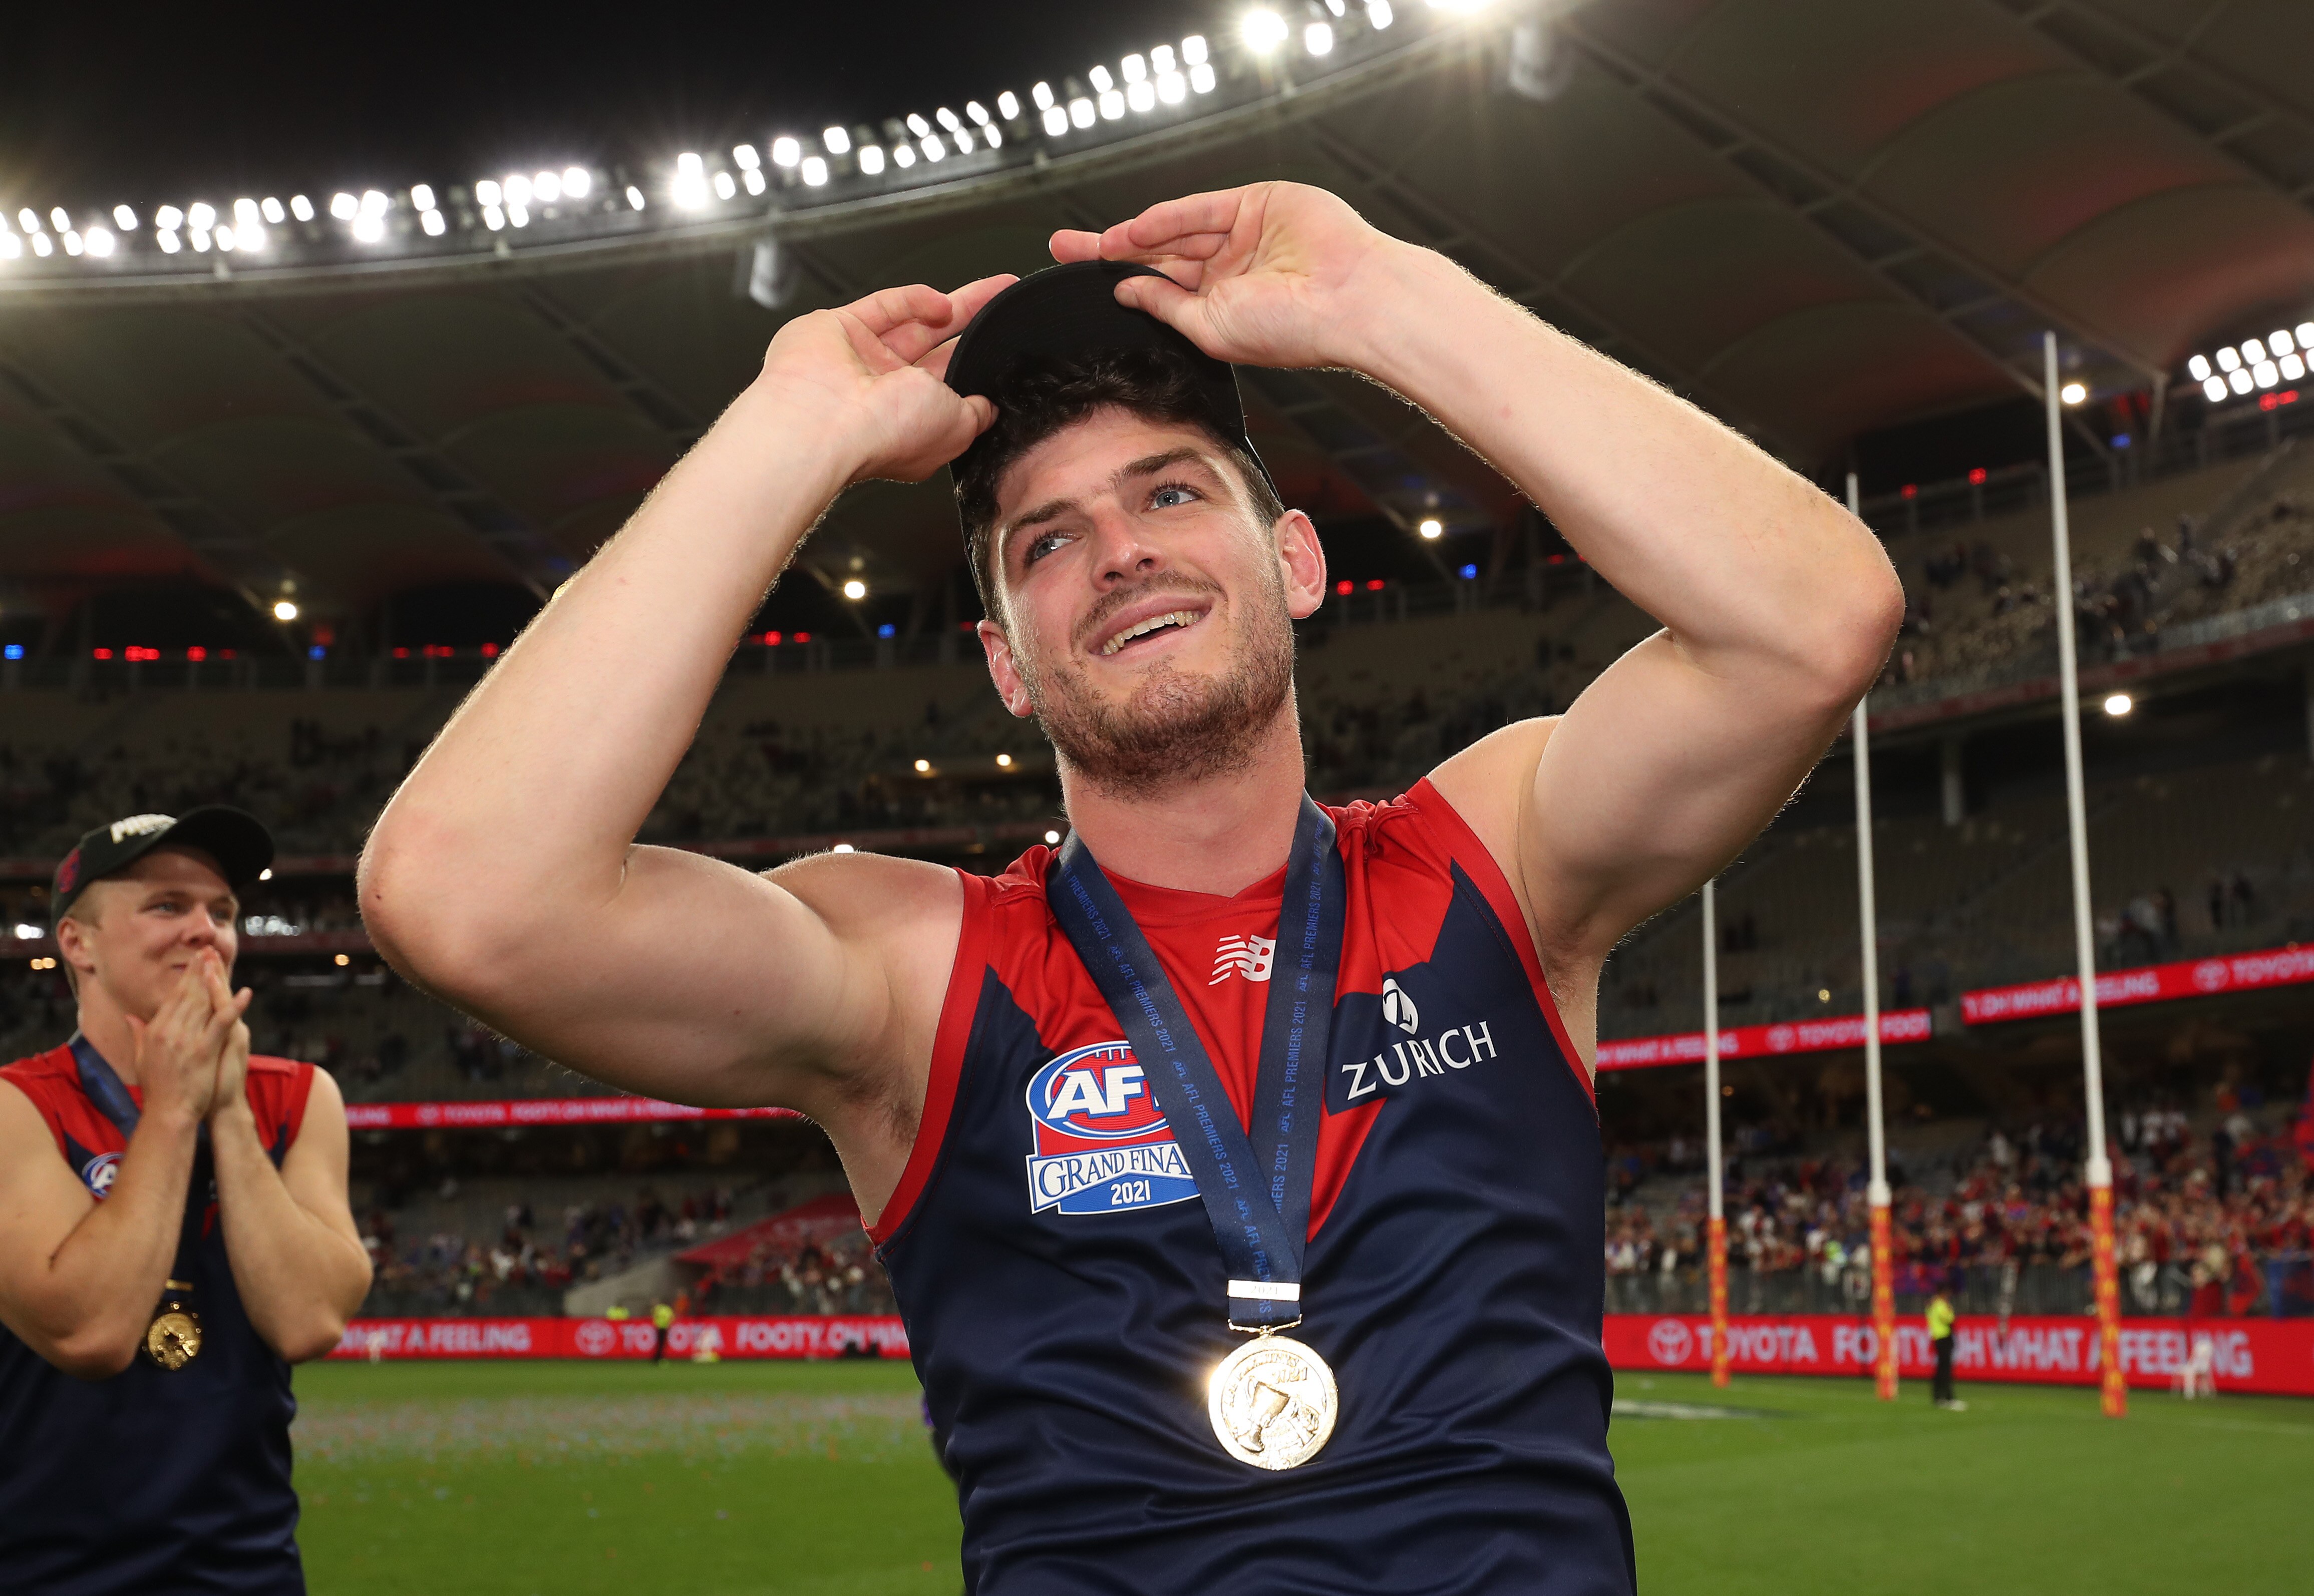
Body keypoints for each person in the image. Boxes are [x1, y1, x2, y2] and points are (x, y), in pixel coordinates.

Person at [361, 182, 1901, 1592]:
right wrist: (789, 432)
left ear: (1295, 559)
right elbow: (464, 899)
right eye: (1045, 539)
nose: (1117, 551)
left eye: (1170, 494)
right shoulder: (912, 969)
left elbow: (1813, 622)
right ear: (1003, 667)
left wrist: (1386, 301)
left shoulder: (1488, 859)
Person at [0, 808, 373, 1594]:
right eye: (167, 906)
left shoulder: (299, 1098)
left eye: (223, 912)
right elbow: (93, 1332)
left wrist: (229, 1113)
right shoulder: (16, 1108)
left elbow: (309, 1320)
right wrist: (171, 1112)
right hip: (47, 1572)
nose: (207, 931)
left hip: (249, 1572)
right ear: (79, 943)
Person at [1927, 1282, 1963, 1410]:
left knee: (1941, 1369)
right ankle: (1948, 1398)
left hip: (1937, 1338)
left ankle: (1938, 1397)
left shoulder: (1932, 1304)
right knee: (1946, 1370)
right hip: (1944, 1338)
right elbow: (1950, 1319)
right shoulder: (1941, 1305)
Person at [651, 1296, 675, 1364]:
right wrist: (668, 1324)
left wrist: (656, 1323)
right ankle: (659, 1358)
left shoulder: (658, 1309)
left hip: (659, 1327)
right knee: (662, 1344)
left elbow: (654, 1316)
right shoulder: (668, 1309)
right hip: (664, 1328)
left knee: (659, 1343)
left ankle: (657, 1358)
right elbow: (672, 1318)